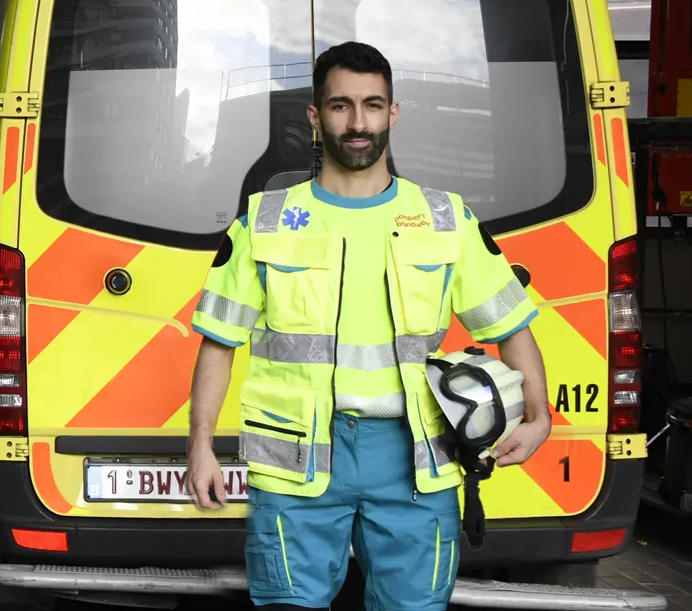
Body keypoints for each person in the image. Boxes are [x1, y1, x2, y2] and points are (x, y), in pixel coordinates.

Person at [181, 41, 552, 611]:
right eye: (341, 105)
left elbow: (511, 325)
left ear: (392, 114)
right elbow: (218, 343)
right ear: (315, 116)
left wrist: (539, 416)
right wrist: (200, 446)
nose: (358, 123)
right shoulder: (265, 221)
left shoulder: (444, 219)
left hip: (414, 459)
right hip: (296, 460)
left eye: (373, 105)